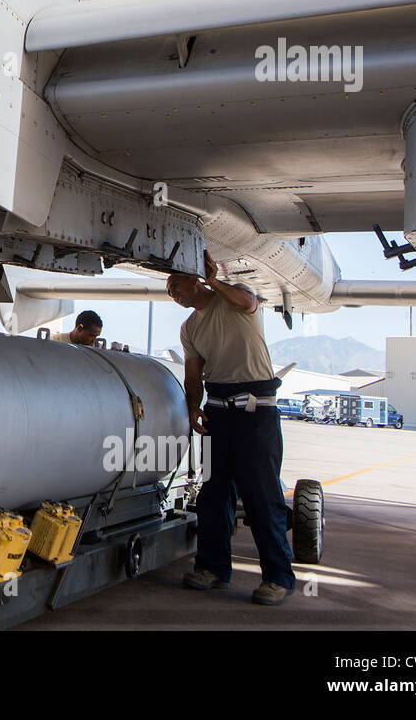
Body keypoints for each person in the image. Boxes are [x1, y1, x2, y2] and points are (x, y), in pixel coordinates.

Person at [166, 250, 295, 606]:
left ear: (195, 280)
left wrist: (213, 279)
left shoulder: (235, 298)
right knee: (213, 495)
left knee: (261, 497)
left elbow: (246, 300)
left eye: (176, 285)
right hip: (218, 413)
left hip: (255, 413)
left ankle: (278, 577)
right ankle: (212, 569)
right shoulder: (189, 328)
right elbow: (194, 376)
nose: (172, 294)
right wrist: (193, 408)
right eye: (169, 290)